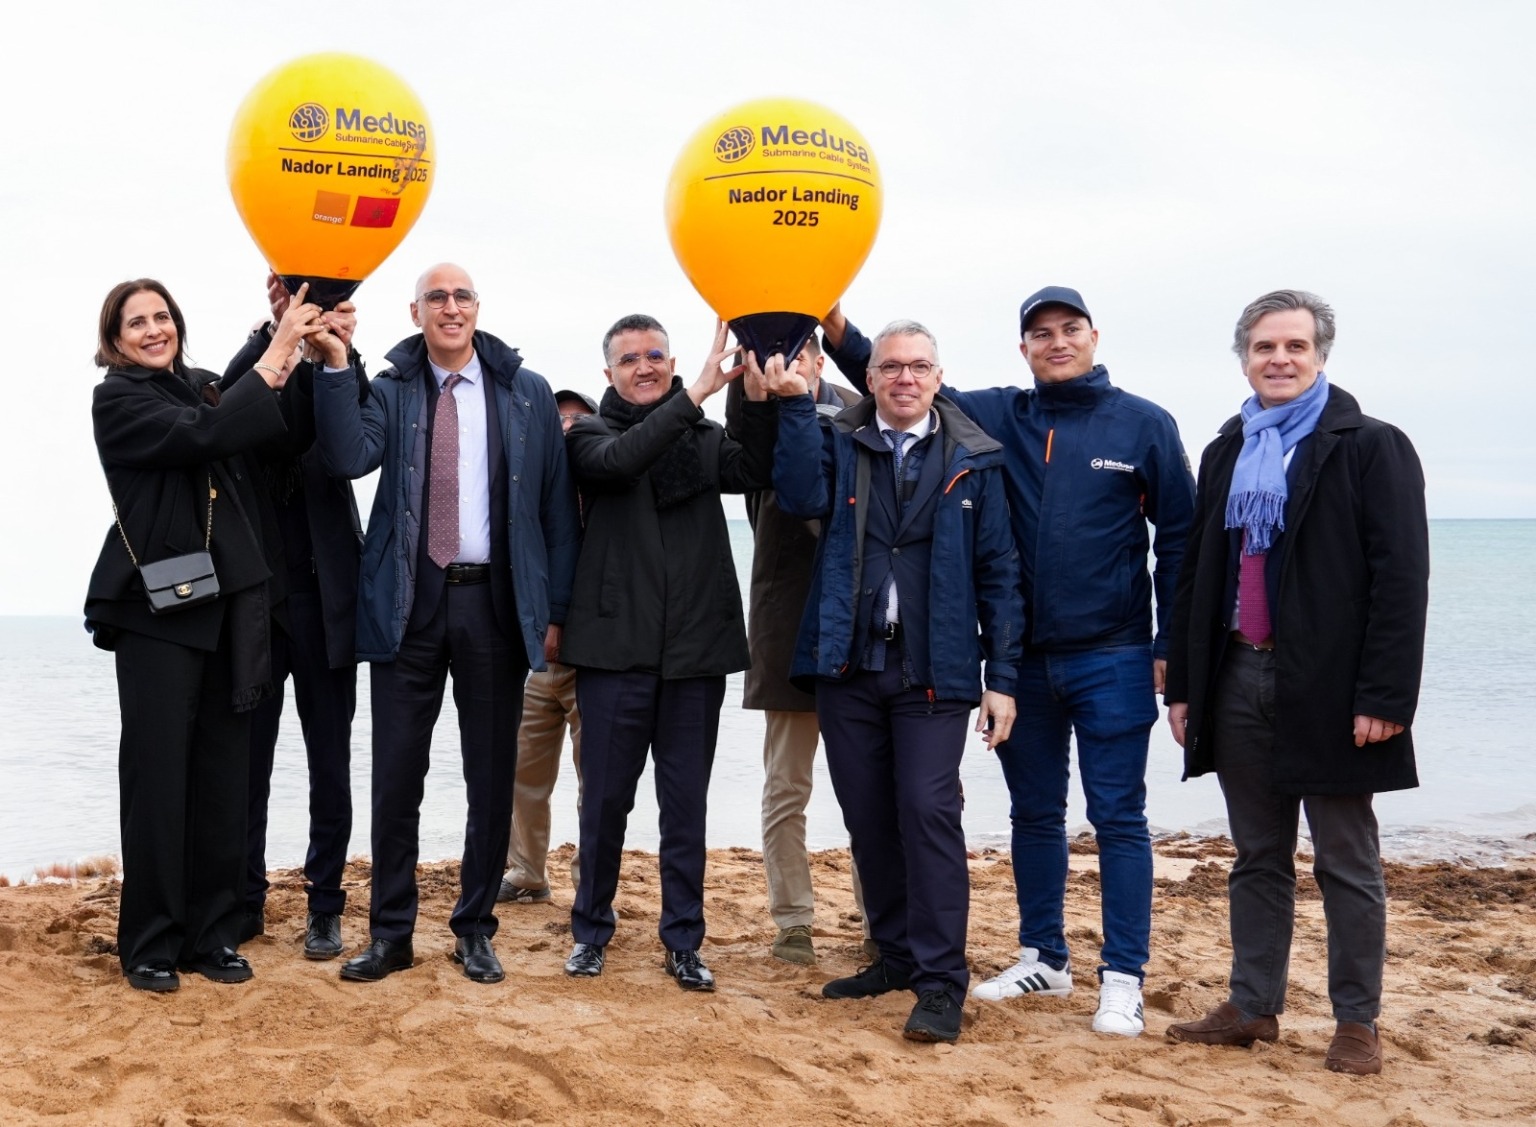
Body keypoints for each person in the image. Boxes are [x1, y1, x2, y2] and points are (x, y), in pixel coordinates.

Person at [823, 289, 1195, 1036]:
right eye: (1040, 334)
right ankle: (1044, 956)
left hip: (1115, 652)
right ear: (1023, 348)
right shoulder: (1000, 415)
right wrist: (835, 326)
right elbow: (901, 377)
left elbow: (1180, 539)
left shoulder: (1145, 423)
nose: (1056, 342)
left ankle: (1123, 975)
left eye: (1069, 329)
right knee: (1035, 813)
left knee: (1118, 816)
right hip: (1023, 661)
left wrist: (1171, 649)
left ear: (1094, 336)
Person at [1163, 290, 1429, 1076]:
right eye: (1264, 347)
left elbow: (1402, 579)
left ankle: (1356, 1021)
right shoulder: (1227, 448)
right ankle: (1253, 1004)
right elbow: (1198, 574)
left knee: (1346, 858)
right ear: (1244, 357)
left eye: (1295, 346)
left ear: (1320, 355)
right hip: (1237, 673)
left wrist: (1386, 696)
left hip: (1333, 686)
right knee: (1256, 853)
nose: (1279, 359)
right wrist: (1184, 683)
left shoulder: (1371, 445)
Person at [311, 264, 581, 985]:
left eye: (462, 296)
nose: (451, 307)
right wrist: (335, 364)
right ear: (416, 312)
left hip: (495, 605)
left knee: (490, 779)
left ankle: (475, 929)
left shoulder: (526, 391)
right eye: (437, 297)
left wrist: (556, 612)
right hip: (408, 605)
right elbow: (349, 456)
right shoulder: (391, 387)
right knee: (397, 778)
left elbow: (556, 508)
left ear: (477, 308)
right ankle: (390, 934)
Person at [764, 319, 1021, 1044]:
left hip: (935, 671)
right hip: (848, 664)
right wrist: (793, 404)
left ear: (938, 378)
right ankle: (896, 956)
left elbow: (1000, 572)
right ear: (870, 378)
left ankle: (940, 980)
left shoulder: (975, 457)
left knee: (927, 811)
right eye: (891, 367)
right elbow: (798, 495)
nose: (905, 378)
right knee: (869, 816)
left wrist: (1001, 677)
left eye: (919, 367)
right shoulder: (840, 439)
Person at [87, 278, 342, 992]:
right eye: (136, 322)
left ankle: (211, 936)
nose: (153, 329)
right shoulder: (119, 400)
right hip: (157, 618)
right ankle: (149, 943)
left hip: (230, 609)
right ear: (114, 339)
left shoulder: (197, 384)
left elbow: (240, 403)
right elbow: (209, 429)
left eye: (161, 316)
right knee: (158, 782)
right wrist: (280, 343)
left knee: (224, 780)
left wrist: (280, 331)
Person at [558, 314, 776, 992]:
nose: (644, 366)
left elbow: (759, 466)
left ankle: (683, 941)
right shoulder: (589, 435)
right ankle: (590, 932)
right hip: (613, 652)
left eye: (655, 354)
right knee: (603, 806)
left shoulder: (704, 437)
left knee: (685, 810)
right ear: (608, 373)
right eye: (629, 359)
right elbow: (622, 463)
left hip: (694, 654)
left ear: (672, 361)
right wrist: (696, 395)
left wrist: (752, 396)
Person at [224, 272, 368, 960]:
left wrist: (337, 345)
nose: (302, 304)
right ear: (272, 291)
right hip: (257, 605)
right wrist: (273, 330)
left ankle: (325, 907)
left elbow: (357, 429)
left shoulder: (335, 371)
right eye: (288, 291)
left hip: (326, 602)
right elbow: (225, 402)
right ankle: (244, 900)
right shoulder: (256, 367)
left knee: (329, 766)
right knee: (247, 765)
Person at [725, 338, 870, 965]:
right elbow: (744, 428)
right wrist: (754, 387)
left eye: (801, 355)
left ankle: (879, 920)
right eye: (777, 357)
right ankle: (793, 922)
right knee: (787, 786)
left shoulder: (862, 413)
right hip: (787, 628)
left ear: (819, 360)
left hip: (862, 631)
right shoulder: (758, 421)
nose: (790, 366)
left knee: (870, 790)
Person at [497, 389, 597, 905]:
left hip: (593, 660)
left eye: (579, 420)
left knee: (594, 781)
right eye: (558, 420)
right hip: (537, 658)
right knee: (522, 772)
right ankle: (526, 873)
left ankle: (590, 884)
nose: (567, 428)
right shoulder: (530, 495)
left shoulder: (606, 494)